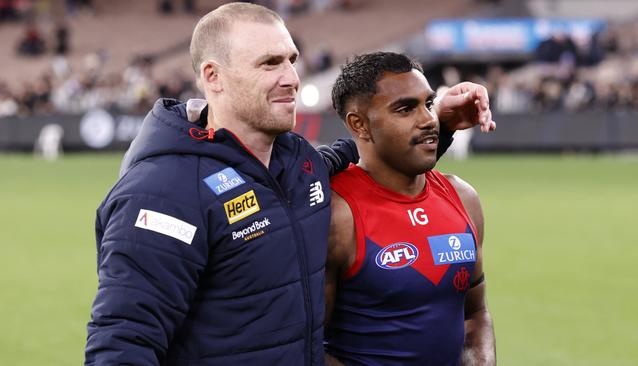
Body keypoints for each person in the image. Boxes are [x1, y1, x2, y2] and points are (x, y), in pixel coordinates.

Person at [85, 3, 494, 365]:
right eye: (269, 64)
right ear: (214, 77)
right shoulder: (163, 191)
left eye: (291, 60)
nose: (291, 78)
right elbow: (124, 339)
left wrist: (435, 122)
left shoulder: (298, 165)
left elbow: (373, 158)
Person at [324, 52, 496, 365]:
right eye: (405, 108)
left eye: (428, 104)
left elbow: (475, 314)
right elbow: (308, 346)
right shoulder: (336, 214)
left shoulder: (463, 198)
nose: (429, 119)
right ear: (359, 125)